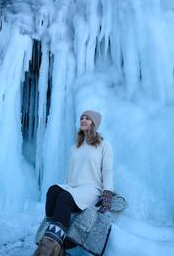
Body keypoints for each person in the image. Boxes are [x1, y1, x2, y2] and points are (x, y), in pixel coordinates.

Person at [34, 110, 114, 256]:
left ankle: (50, 248)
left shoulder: (104, 145)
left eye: (87, 118)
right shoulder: (75, 146)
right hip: (73, 187)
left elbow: (107, 170)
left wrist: (107, 193)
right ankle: (53, 238)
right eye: (82, 118)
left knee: (65, 198)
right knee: (52, 191)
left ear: (94, 123)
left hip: (91, 189)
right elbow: (69, 172)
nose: (83, 120)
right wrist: (65, 187)